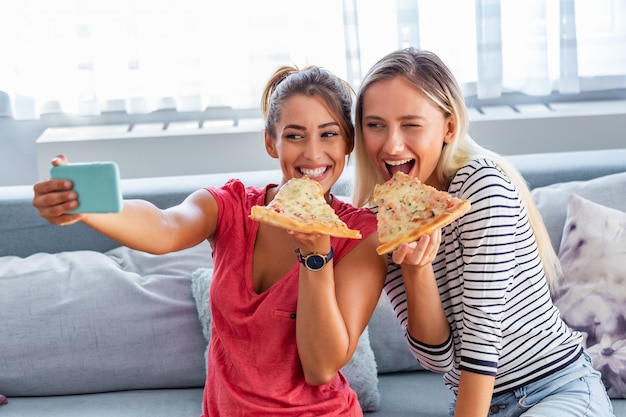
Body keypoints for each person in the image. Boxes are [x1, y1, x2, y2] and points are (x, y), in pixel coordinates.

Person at [32, 65, 387, 416]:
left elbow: (321, 368)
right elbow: (164, 225)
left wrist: (316, 257)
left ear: (348, 143)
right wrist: (89, 207)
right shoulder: (231, 206)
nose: (312, 154)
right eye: (294, 136)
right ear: (270, 142)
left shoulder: (360, 235)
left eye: (328, 135)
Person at [352, 47, 615, 417]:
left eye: (411, 124)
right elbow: (438, 358)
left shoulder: (480, 184)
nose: (392, 144)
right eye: (375, 124)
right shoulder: (383, 223)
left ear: (448, 127)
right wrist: (416, 270)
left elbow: (481, 339)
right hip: (483, 404)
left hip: (558, 389)